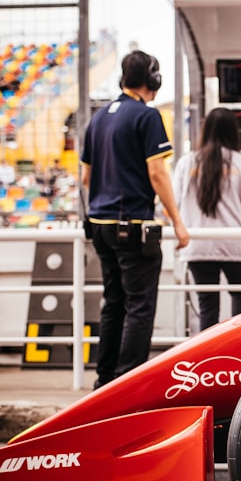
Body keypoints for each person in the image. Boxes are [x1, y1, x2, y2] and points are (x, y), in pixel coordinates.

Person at [81, 50, 189, 388]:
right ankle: (126, 385)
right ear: (152, 79)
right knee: (140, 306)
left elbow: (86, 178)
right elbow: (157, 173)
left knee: (113, 303)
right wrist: (177, 221)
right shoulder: (147, 116)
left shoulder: (98, 119)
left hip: (99, 225)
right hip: (132, 226)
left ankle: (104, 381)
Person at [173, 108, 241, 330]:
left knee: (207, 306)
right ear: (234, 132)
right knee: (240, 300)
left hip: (198, 245)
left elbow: (174, 204)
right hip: (236, 246)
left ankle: (208, 359)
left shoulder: (187, 164)